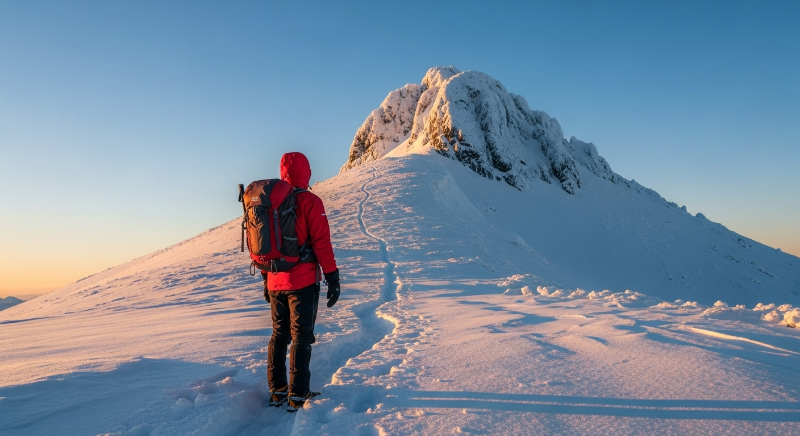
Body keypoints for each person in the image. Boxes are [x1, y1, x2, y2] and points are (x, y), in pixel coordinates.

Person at [264, 152, 340, 412]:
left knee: (278, 334)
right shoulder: (310, 201)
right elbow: (321, 242)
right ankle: (298, 395)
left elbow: (266, 246)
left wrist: (266, 279)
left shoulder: (271, 203)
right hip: (303, 281)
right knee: (301, 337)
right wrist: (332, 276)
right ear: (306, 172)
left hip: (275, 280)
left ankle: (276, 391)